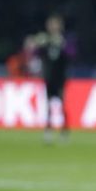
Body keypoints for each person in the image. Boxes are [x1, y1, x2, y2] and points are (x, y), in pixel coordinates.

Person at [33, 14, 70, 142]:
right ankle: (48, 130)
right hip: (48, 78)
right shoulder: (45, 41)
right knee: (48, 105)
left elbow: (73, 54)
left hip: (60, 78)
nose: (53, 27)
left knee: (62, 104)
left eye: (55, 24)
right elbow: (35, 53)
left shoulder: (64, 40)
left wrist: (63, 45)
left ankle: (64, 131)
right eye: (51, 24)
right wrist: (37, 44)